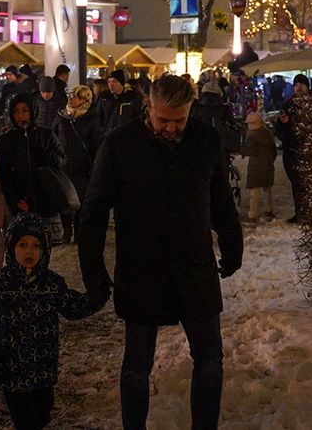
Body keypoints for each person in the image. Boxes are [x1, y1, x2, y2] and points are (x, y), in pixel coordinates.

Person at [78, 75, 243, 430]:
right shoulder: (119, 144)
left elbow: (220, 201)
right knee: (137, 364)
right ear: (148, 107)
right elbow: (94, 210)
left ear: (190, 110)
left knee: (210, 360)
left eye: (179, 120)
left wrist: (233, 245)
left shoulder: (206, 141)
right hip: (142, 270)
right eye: (163, 119)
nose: (170, 128)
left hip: (194, 267)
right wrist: (93, 271)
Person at [0, 213, 107, 430]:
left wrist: (97, 297)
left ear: (45, 249)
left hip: (42, 369)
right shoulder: (0, 284)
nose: (29, 251)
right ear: (11, 247)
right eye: (22, 245)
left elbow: (72, 307)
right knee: (26, 421)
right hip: (11, 370)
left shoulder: (51, 283)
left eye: (36, 246)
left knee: (43, 416)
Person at [0, 93, 66, 243]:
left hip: (46, 201)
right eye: (16, 111)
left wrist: (44, 152)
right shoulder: (6, 140)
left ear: (33, 111)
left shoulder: (46, 134)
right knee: (23, 245)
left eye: (25, 110)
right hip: (21, 203)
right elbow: (3, 174)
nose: (20, 115)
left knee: (45, 245)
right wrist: (15, 200)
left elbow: (61, 163)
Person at [52, 85, 101, 244]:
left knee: (80, 200)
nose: (71, 98)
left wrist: (94, 165)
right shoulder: (61, 116)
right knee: (64, 198)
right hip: (63, 166)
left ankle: (79, 231)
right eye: (70, 95)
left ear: (85, 100)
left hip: (82, 167)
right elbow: (52, 137)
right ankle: (66, 230)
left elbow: (95, 144)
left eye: (76, 96)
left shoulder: (91, 119)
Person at [274, 74, 312, 224]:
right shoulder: (288, 105)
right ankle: (300, 212)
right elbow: (278, 129)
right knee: (296, 183)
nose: (298, 87)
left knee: (309, 183)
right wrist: (282, 122)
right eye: (296, 84)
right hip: (291, 150)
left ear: (307, 86)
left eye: (301, 84)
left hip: (309, 149)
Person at [241, 112, 277, 224]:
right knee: (267, 189)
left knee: (254, 191)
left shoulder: (252, 136)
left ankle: (253, 214)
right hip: (268, 165)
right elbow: (274, 151)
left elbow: (250, 151)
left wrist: (239, 149)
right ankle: (268, 211)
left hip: (255, 166)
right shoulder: (267, 133)